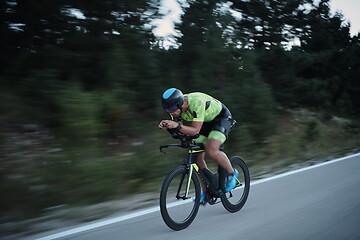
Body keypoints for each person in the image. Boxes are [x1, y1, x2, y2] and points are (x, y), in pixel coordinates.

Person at [158, 88, 238, 204]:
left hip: (221, 118)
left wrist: (176, 125)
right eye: (167, 110)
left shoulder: (196, 102)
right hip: (204, 121)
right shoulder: (175, 110)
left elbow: (195, 131)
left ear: (180, 104)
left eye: (171, 109)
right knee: (196, 157)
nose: (170, 113)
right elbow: (180, 131)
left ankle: (232, 173)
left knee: (211, 150)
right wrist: (170, 128)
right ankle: (206, 191)